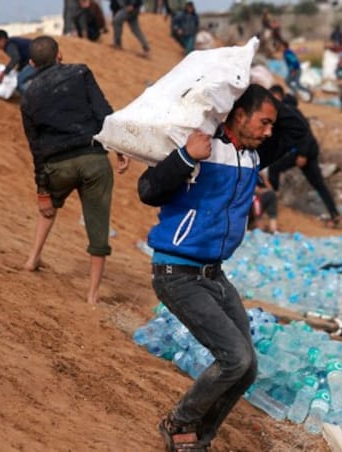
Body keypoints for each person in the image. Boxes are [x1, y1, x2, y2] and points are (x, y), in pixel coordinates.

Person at [138, 85, 280, 450]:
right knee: (235, 358)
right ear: (238, 115)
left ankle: (199, 438)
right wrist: (185, 157)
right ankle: (178, 422)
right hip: (177, 273)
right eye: (264, 122)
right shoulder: (201, 145)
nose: (269, 132)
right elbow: (148, 188)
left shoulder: (250, 158)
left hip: (214, 274)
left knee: (247, 369)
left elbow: (294, 132)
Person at [19, 36, 130, 304]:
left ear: (32, 63)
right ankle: (92, 295)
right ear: (60, 54)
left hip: (56, 165)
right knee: (97, 224)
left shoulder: (28, 97)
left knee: (49, 209)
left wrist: (42, 190)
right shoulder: (80, 73)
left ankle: (33, 258)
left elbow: (36, 147)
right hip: (93, 159)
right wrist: (120, 149)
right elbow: (104, 112)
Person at [266, 85, 341, 228]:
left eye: (275, 98)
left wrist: (302, 154)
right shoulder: (279, 110)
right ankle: (334, 214)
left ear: (280, 97)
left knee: (316, 183)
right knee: (276, 168)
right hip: (299, 151)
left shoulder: (289, 110)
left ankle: (273, 199)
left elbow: (304, 132)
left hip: (305, 152)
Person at [0, 29, 35, 94]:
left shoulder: (9, 45)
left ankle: (35, 96)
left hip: (37, 61)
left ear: (2, 40)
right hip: (37, 59)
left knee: (18, 83)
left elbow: (16, 58)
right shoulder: (13, 41)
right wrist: (19, 70)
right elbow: (22, 59)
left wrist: (4, 73)